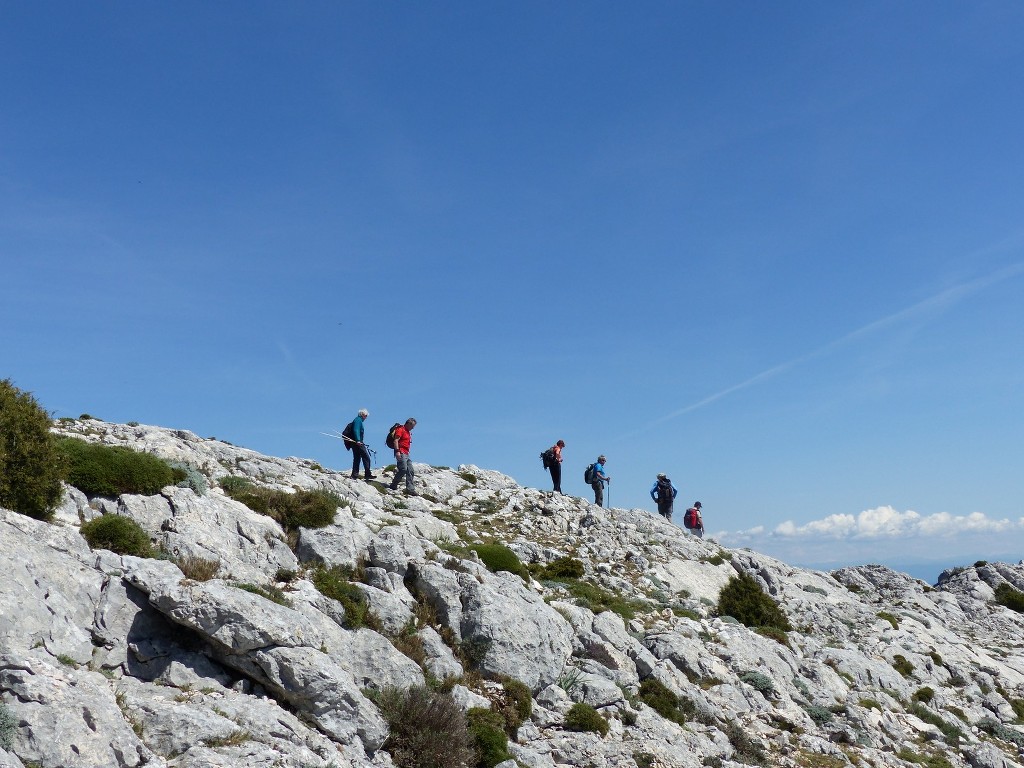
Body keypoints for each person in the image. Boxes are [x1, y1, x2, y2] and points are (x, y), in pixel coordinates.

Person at [389, 418, 417, 494]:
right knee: (403, 469)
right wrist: (397, 451)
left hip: (406, 453)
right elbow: (396, 440)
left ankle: (410, 489)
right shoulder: (401, 429)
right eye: (412, 426)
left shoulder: (408, 432)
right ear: (408, 424)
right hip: (401, 452)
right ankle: (393, 484)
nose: (413, 428)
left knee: (410, 470)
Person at [346, 409, 376, 480]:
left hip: (354, 443)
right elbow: (356, 430)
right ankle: (367, 474)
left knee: (357, 458)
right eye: (365, 416)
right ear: (362, 415)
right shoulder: (358, 420)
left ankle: (354, 475)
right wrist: (358, 440)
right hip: (358, 442)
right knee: (366, 457)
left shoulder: (356, 420)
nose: (366, 418)